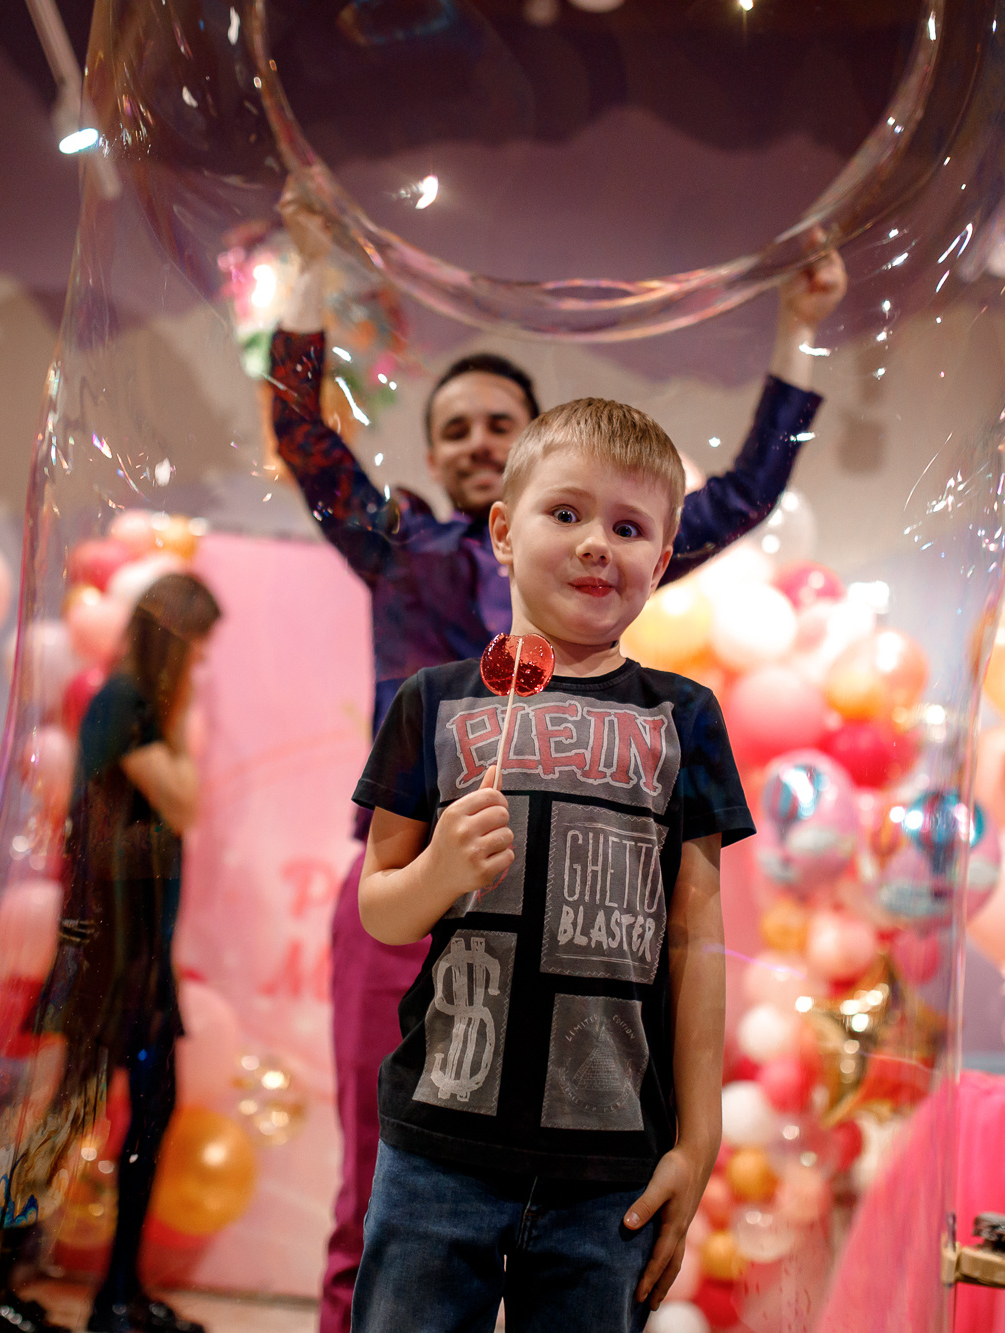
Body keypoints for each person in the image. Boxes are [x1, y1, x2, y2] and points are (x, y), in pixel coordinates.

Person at [271, 184, 843, 1332]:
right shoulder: (406, 555)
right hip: (412, 896)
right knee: (379, 1188)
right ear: (483, 505)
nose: (476, 441)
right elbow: (303, 436)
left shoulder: (609, 575)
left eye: (499, 422)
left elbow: (737, 493)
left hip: (592, 972)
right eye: (454, 430)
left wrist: (800, 329)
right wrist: (305, 268)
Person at [349, 396, 740, 1331]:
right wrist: (438, 872)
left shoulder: (683, 717)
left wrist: (698, 1137)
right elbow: (381, 908)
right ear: (504, 531)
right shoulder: (431, 701)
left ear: (667, 554)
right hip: (440, 1148)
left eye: (630, 525)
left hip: (610, 1172)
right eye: (566, 513)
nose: (597, 543)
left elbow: (695, 941)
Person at [0, 573, 221, 1333]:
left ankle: (111, 1296)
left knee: (141, 1114)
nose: (200, 666)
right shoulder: (127, 704)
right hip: (113, 955)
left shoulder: (139, 709)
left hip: (137, 955)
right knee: (69, 1118)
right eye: (196, 647)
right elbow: (185, 799)